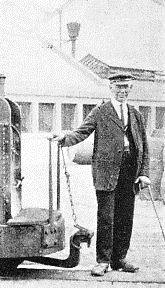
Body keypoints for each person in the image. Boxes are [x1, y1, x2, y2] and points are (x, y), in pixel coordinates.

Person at [53, 73, 150, 276]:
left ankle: (119, 259)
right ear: (111, 88)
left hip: (130, 172)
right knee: (106, 217)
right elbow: (82, 132)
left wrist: (143, 173)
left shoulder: (135, 114)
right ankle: (103, 261)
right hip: (106, 172)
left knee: (126, 217)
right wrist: (64, 138)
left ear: (130, 89)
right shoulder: (100, 111)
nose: (123, 91)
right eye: (119, 87)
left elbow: (144, 147)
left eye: (126, 87)